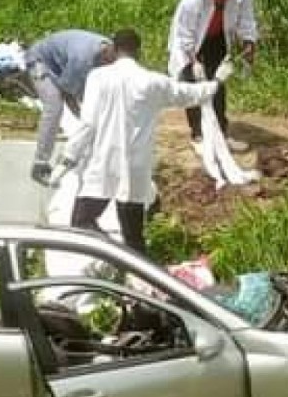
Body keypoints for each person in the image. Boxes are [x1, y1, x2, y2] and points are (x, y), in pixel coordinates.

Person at [57, 28, 227, 257]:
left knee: (82, 223)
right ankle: (135, 270)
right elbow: (188, 93)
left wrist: (68, 156)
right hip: (134, 168)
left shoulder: (98, 77)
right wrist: (216, 82)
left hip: (104, 164)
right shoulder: (151, 81)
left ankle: (113, 257)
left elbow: (87, 124)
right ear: (138, 52)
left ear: (115, 50)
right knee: (133, 237)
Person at [167, 0, 258, 151]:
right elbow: (185, 33)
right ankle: (198, 134)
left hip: (218, 37)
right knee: (192, 83)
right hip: (192, 40)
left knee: (218, 83)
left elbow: (247, 20)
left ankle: (221, 133)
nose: (220, 0)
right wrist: (193, 60)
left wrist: (249, 42)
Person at [27, 29, 115, 184]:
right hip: (41, 62)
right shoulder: (82, 59)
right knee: (54, 105)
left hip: (62, 64)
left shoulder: (109, 53)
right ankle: (40, 164)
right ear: (106, 55)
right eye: (109, 63)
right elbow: (67, 94)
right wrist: (84, 118)